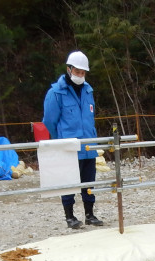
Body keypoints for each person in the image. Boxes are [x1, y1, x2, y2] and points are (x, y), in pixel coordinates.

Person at [43, 51, 103, 229]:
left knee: (89, 182)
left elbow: (90, 117)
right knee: (69, 182)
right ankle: (69, 216)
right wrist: (60, 140)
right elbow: (49, 121)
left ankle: (89, 214)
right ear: (69, 69)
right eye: (77, 71)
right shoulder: (56, 93)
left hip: (88, 145)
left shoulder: (88, 90)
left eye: (83, 72)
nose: (80, 75)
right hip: (69, 147)